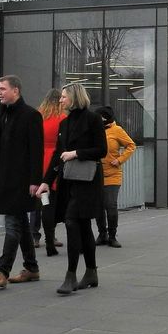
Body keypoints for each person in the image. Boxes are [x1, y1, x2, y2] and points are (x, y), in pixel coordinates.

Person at [0, 76, 44, 288]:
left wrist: (35, 180)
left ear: (16, 90)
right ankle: (31, 268)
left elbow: (36, 151)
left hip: (21, 181)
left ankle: (2, 271)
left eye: (3, 88)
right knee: (20, 222)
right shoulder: (3, 114)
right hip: (4, 179)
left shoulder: (31, 115)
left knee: (12, 225)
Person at [43, 83, 107, 295]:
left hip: (87, 181)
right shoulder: (65, 123)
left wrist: (76, 153)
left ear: (74, 98)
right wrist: (46, 181)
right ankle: (91, 272)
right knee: (84, 226)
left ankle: (71, 275)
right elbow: (57, 155)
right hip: (68, 180)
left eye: (63, 97)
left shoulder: (93, 119)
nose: (60, 100)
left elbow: (101, 150)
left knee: (72, 222)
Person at [94, 106, 136, 248]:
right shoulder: (95, 130)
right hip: (96, 174)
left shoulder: (117, 130)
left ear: (104, 118)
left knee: (110, 205)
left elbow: (131, 145)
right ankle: (102, 234)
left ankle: (112, 235)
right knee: (98, 206)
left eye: (98, 117)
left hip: (113, 174)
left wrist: (119, 160)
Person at [32, 89, 66, 254]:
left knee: (38, 201)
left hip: (39, 160)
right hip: (54, 162)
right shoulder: (62, 118)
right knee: (50, 203)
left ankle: (34, 235)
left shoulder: (38, 116)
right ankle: (50, 237)